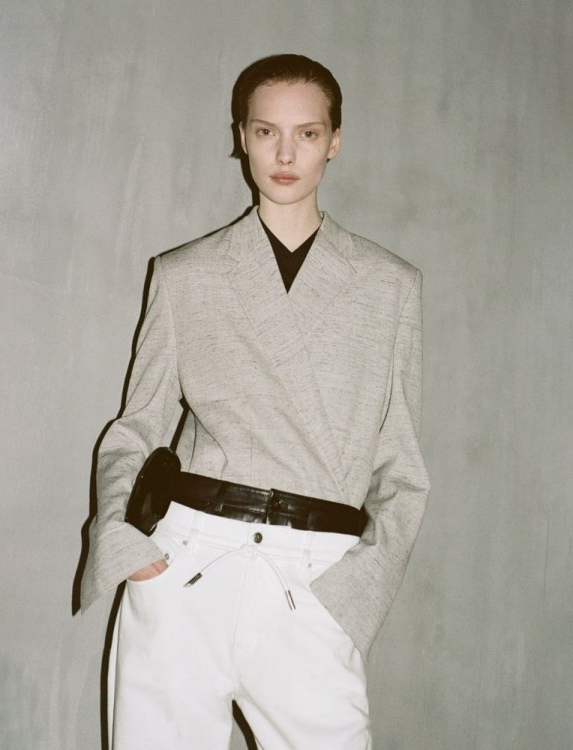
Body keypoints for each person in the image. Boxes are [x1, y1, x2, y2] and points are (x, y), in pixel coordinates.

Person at [80, 53, 430, 750]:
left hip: (314, 580)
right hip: (187, 568)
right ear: (241, 137)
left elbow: (403, 467)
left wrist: (354, 594)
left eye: (307, 133)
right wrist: (121, 539)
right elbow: (136, 427)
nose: (285, 154)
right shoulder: (185, 275)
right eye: (267, 132)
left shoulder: (390, 286)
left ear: (335, 141)